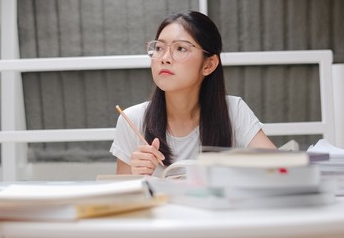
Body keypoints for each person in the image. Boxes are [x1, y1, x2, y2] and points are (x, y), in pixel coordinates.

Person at [110, 10, 276, 176]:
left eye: (180, 48)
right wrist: (135, 175)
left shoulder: (234, 110)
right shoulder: (132, 119)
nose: (165, 58)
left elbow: (279, 168)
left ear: (208, 65)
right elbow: (122, 197)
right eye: (159, 48)